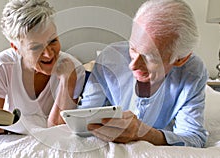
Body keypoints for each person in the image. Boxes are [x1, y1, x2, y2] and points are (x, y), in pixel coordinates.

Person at [80, 0, 208, 147]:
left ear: (180, 59)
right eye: (132, 49)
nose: (132, 65)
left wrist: (143, 133)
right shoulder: (109, 59)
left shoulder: (193, 73)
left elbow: (193, 138)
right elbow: (84, 118)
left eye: (150, 57)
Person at [0, 0, 85, 136]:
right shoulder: (1, 66)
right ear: (16, 48)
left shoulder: (74, 69)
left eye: (53, 41)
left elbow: (57, 130)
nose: (49, 54)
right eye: (36, 47)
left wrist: (67, 81)